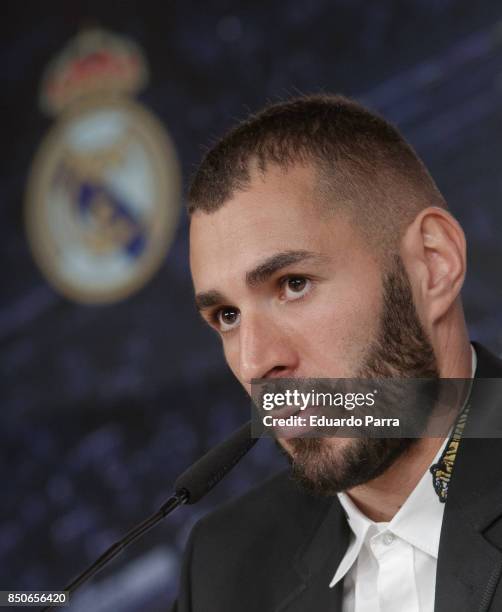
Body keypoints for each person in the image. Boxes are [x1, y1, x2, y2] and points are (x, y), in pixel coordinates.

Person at [171, 94, 502, 611]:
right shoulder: (223, 569)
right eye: (227, 317)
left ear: (433, 265)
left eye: (294, 284)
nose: (256, 364)